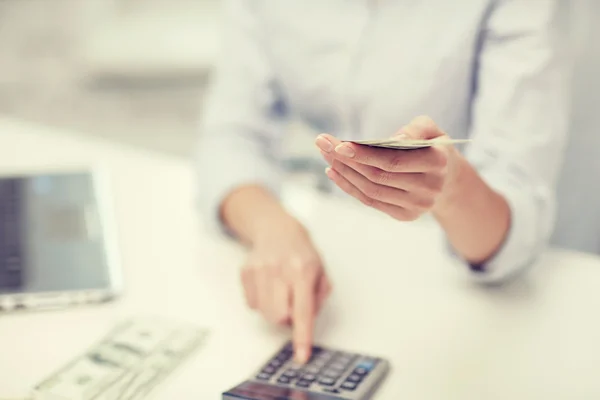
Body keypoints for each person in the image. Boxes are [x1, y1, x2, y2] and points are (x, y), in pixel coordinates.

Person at [195, 0, 572, 363]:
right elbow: (231, 135)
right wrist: (272, 227)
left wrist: (451, 190)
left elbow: (519, 216)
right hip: (328, 259)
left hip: (453, 290)